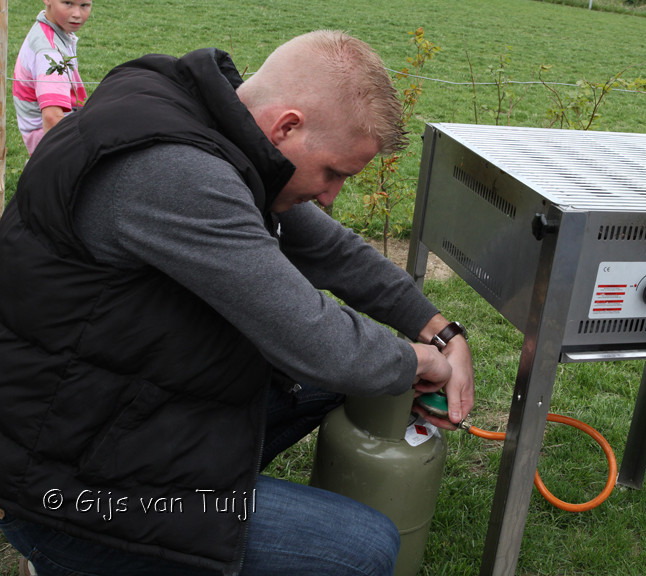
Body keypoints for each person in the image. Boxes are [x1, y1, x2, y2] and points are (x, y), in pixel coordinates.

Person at [0, 30, 475, 576]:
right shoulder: (177, 172)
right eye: (333, 173)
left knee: (341, 380)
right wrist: (420, 360)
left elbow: (329, 250)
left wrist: (441, 330)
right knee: (364, 547)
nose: (330, 196)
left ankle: (208, 501)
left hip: (112, 399)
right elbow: (313, 337)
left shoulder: (212, 125)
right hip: (62, 487)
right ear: (287, 127)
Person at [13, 0, 92, 155]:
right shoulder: (50, 52)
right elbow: (52, 118)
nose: (77, 14)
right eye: (68, 3)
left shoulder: (47, 30)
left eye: (84, 5)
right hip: (55, 146)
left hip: (55, 137)